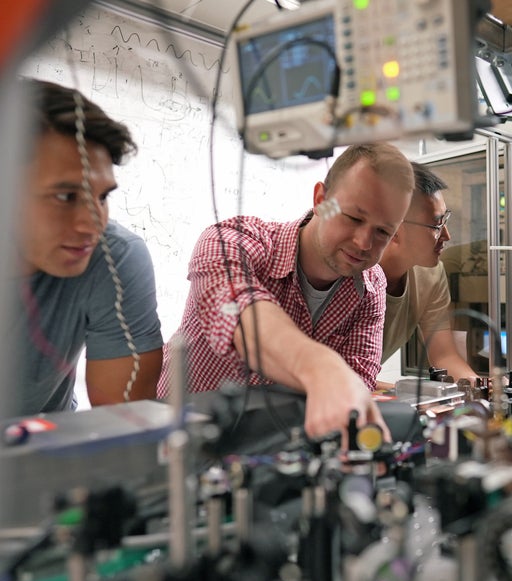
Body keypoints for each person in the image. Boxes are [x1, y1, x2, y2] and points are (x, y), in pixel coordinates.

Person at [158, 143, 413, 438]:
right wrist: (320, 367)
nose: (364, 242)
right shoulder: (232, 242)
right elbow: (240, 313)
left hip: (275, 451)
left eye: (383, 231)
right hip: (183, 441)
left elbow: (358, 381)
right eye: (354, 218)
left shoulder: (371, 287)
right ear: (321, 199)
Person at [13, 78, 163, 416]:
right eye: (66, 196)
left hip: (46, 453)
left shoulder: (114, 257)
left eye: (103, 196)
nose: (93, 225)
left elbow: (127, 424)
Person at [377, 162, 477, 384]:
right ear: (394, 226)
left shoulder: (430, 274)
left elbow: (444, 355)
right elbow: (339, 375)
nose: (447, 236)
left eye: (445, 220)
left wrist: (482, 390)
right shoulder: (354, 272)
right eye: (435, 225)